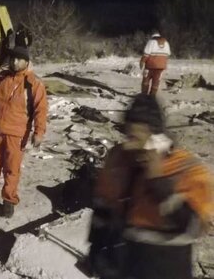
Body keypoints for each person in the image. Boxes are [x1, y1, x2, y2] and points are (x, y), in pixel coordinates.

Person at [88, 94, 214, 279]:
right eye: (127, 136)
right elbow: (103, 206)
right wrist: (96, 249)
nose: (128, 145)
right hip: (122, 263)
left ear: (157, 138)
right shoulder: (118, 158)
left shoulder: (188, 170)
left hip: (166, 266)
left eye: (135, 137)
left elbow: (194, 227)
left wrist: (158, 182)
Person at [0, 45, 48, 217]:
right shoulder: (1, 78)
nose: (14, 62)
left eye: (19, 59)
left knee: (11, 169)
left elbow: (40, 110)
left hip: (16, 135)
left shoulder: (33, 83)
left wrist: (39, 132)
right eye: (12, 58)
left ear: (26, 61)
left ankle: (9, 200)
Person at [140, 31, 171, 96]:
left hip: (150, 66)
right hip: (161, 67)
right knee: (156, 82)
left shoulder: (151, 42)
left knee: (146, 81)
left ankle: (144, 96)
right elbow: (168, 54)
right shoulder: (166, 43)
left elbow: (146, 54)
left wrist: (142, 62)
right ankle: (152, 96)